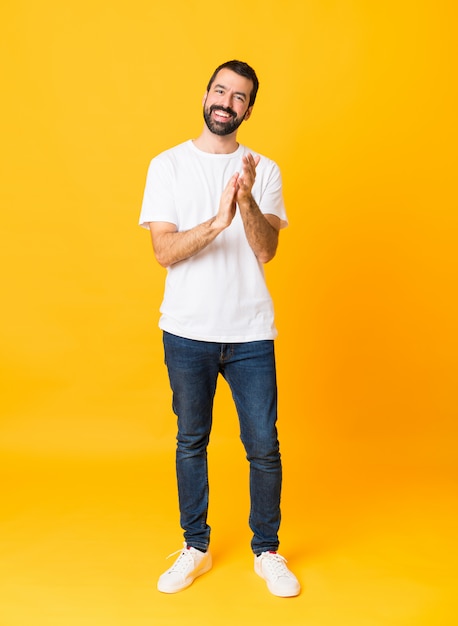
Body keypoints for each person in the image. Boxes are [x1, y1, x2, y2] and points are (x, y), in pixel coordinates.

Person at [139, 60, 300, 598]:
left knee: (263, 444)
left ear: (249, 109)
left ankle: (268, 550)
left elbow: (266, 250)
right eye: (219, 90)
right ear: (206, 94)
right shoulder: (167, 166)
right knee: (191, 440)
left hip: (251, 332)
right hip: (187, 331)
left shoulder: (265, 169)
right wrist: (216, 220)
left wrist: (247, 198)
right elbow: (164, 251)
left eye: (239, 97)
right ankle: (196, 547)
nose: (226, 102)